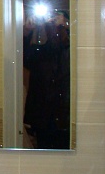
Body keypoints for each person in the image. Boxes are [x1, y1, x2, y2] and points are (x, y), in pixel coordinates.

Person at [22, 9, 70, 149]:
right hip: (42, 110)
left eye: (57, 17)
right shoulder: (40, 47)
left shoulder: (69, 45)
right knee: (43, 147)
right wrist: (27, 31)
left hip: (64, 110)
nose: (52, 20)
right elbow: (24, 59)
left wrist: (67, 25)